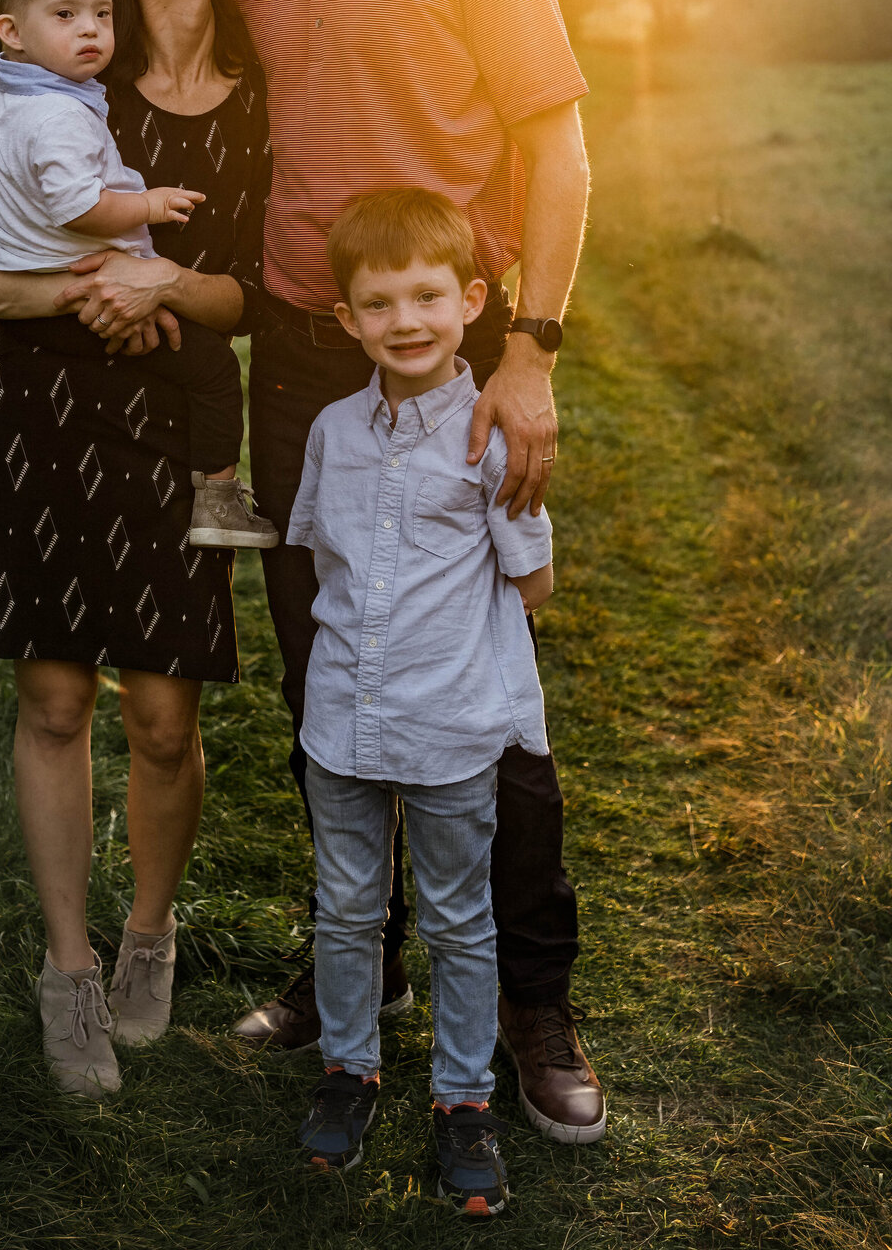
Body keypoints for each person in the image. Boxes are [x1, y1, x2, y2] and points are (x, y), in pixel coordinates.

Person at [0, 0, 603, 1141]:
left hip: (451, 355)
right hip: (298, 363)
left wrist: (529, 350)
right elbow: (81, 18)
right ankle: (346, 965)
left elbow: (559, 145)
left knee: (492, 692)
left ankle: (536, 1002)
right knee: (333, 679)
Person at [0, 0, 271, 1099]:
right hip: (40, 416)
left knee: (163, 719)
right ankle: (67, 966)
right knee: (57, 701)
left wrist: (164, 288)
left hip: (169, 427)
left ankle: (149, 936)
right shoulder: (57, 87)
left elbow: (255, 297)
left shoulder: (253, 110)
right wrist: (92, 291)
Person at [288, 188, 555, 1218]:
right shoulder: (330, 431)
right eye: (380, 302)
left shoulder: (491, 437)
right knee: (348, 909)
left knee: (457, 917)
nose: (406, 320)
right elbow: (324, 549)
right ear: (347, 318)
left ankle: (462, 1099)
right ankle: (350, 1070)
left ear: (473, 300)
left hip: (449, 731)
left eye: (428, 297)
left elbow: (531, 583)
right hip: (343, 728)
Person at [0, 0, 276, 549]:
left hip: (51, 315)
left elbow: (258, 294)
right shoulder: (62, 109)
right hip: (53, 400)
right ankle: (218, 499)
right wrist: (150, 206)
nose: (89, 29)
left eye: (99, 15)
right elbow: (66, 210)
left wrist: (162, 283)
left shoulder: (14, 96)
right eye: (67, 15)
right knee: (214, 368)